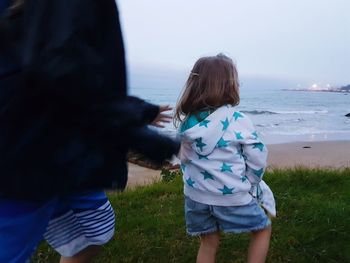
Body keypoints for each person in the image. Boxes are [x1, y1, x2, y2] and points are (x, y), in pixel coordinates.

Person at [0, 0, 179, 262]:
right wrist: (139, 133)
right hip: (27, 151)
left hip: (47, 146)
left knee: (96, 229)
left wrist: (139, 113)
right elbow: (61, 68)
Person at [175, 54, 275, 263]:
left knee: (208, 242)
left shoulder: (187, 123)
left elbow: (182, 159)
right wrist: (250, 182)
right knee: (263, 229)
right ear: (230, 85)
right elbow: (257, 157)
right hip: (231, 197)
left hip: (195, 197)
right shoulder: (237, 120)